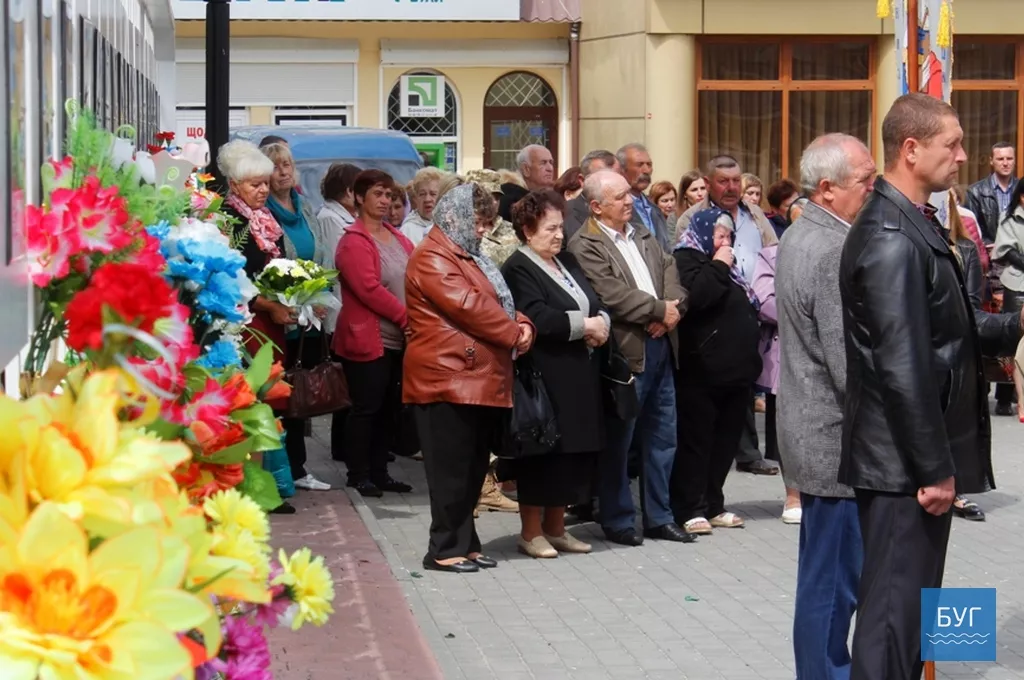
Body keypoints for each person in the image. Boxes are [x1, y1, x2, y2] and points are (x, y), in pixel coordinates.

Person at [839, 93, 988, 680]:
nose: (962, 154)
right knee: (890, 622)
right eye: (951, 143)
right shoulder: (891, 237)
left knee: (913, 613)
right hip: (904, 467)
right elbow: (901, 365)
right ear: (911, 149)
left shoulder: (912, 223)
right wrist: (932, 468)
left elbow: (942, 335)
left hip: (914, 462)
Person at [777, 132, 876, 680]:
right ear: (828, 188)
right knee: (831, 588)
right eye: (865, 180)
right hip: (835, 442)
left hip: (815, 434)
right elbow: (847, 363)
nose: (873, 187)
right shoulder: (833, 247)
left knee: (826, 580)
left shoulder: (803, 232)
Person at [404, 183, 535, 573]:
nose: (481, 230)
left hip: (474, 377)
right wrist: (516, 333)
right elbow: (471, 307)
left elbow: (503, 298)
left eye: (486, 223)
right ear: (456, 218)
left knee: (472, 467)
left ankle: (466, 543)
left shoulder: (469, 254)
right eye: (477, 222)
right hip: (445, 379)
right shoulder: (432, 256)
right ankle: (443, 549)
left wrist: (524, 324)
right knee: (450, 471)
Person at [569, 170, 690, 546]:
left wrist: (671, 310)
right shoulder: (585, 243)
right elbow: (609, 293)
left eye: (628, 195)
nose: (630, 201)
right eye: (620, 197)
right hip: (626, 353)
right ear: (596, 206)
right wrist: (658, 311)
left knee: (662, 437)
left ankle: (659, 516)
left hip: (661, 346)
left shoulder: (642, 231)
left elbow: (670, 268)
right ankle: (618, 517)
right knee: (621, 441)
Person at [501, 190, 609, 558]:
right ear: (528, 229)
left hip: (578, 373)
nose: (559, 235)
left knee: (571, 455)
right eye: (551, 228)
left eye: (561, 227)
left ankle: (557, 527)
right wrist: (587, 325)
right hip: (544, 376)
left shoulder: (566, 261)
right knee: (543, 456)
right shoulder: (518, 267)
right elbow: (538, 317)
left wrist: (603, 322)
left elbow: (595, 300)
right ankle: (531, 532)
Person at [217, 139, 303, 515]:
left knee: (272, 402)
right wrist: (267, 302)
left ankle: (274, 487)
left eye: (265, 183)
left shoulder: (263, 217)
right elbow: (230, 278)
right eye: (255, 184)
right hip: (244, 326)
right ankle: (255, 489)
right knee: (248, 405)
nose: (264, 190)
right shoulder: (226, 219)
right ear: (235, 186)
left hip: (271, 325)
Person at [671, 207, 762, 535]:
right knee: (697, 441)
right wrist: (720, 264)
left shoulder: (729, 268)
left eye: (729, 236)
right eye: (719, 236)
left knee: (725, 442)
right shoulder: (687, 259)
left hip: (735, 371)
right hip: (702, 370)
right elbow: (698, 297)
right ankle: (689, 506)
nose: (726, 242)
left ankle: (713, 502)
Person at [334, 170, 415, 497]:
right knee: (366, 408)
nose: (385, 201)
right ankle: (359, 473)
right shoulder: (353, 241)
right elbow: (368, 289)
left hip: (399, 337)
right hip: (368, 338)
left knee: (389, 408)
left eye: (389, 196)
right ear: (359, 198)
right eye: (378, 195)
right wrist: (405, 316)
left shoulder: (399, 237)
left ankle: (381, 472)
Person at [260, 141, 333, 493]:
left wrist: (319, 296)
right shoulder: (264, 214)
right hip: (280, 317)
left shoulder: (304, 209)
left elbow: (319, 256)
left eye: (288, 164)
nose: (284, 171)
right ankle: (282, 469)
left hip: (308, 316)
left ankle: (299, 467)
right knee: (280, 392)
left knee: (300, 391)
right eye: (276, 166)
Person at [618, 143, 671, 251]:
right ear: (622, 169)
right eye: (639, 165)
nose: (646, 170)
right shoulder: (617, 209)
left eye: (649, 164)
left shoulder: (654, 208)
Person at [401, 167, 444, 245]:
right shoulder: (408, 230)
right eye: (422, 194)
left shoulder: (448, 226)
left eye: (433, 194)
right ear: (416, 198)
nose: (427, 199)